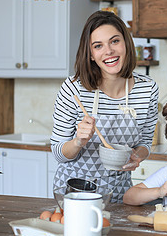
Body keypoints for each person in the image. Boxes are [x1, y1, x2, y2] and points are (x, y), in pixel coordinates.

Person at [51, 10, 159, 203]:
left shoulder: (147, 89)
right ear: (91, 54)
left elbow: (145, 143)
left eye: (115, 41)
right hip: (75, 193)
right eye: (98, 46)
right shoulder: (73, 88)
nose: (108, 51)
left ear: (126, 43)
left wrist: (137, 156)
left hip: (120, 193)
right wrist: (78, 142)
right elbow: (59, 153)